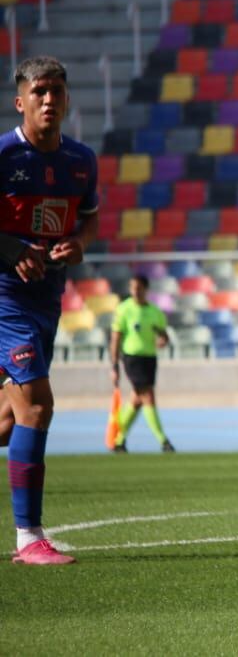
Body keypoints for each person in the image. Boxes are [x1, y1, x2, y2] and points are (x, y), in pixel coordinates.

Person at [0, 56, 99, 565]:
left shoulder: (81, 160)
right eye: (38, 91)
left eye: (56, 91)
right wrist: (11, 250)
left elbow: (89, 219)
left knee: (8, 420)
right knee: (37, 404)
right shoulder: (2, 155)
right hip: (3, 297)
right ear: (21, 101)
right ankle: (28, 537)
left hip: (46, 299)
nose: (48, 100)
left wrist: (78, 244)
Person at [109, 274, 174, 453]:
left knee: (137, 399)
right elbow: (115, 338)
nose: (135, 292)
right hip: (132, 358)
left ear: (146, 289)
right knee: (148, 396)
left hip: (150, 358)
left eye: (138, 288)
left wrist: (163, 340)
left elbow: (164, 335)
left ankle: (118, 439)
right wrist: (114, 366)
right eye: (132, 288)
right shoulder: (124, 309)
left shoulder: (155, 312)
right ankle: (163, 441)